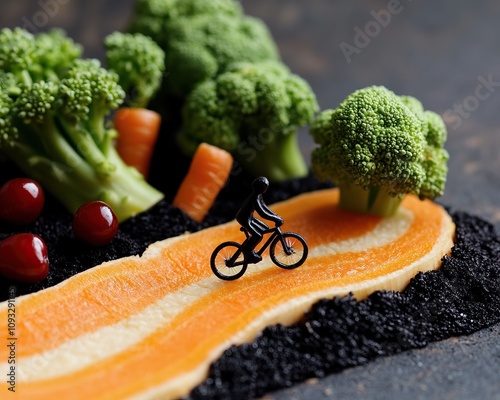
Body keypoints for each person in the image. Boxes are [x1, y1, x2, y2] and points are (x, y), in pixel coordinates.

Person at [236, 176, 283, 263]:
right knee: (258, 236)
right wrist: (275, 218)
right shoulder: (255, 198)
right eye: (265, 187)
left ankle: (249, 248)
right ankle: (248, 252)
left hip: (249, 218)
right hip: (244, 219)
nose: (266, 188)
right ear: (261, 187)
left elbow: (265, 207)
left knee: (265, 228)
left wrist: (275, 216)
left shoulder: (258, 195)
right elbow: (262, 213)